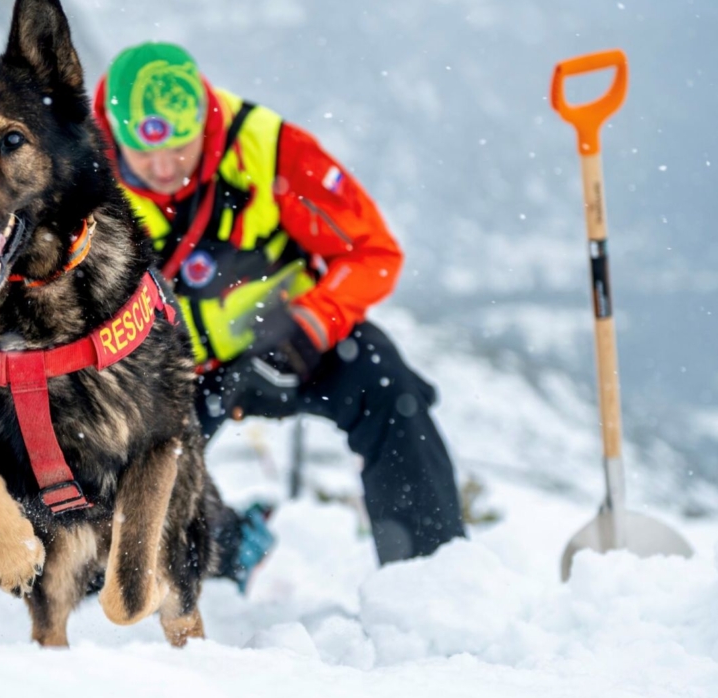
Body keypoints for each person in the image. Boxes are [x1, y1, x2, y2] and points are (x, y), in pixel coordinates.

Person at [94, 42, 465, 565]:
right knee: (114, 521)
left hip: (291, 349)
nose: (162, 167)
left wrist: (313, 322)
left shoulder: (268, 149)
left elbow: (373, 252)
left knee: (387, 383)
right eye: (143, 151)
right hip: (174, 378)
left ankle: (431, 571)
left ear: (204, 121)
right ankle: (229, 548)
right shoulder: (81, 181)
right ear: (113, 133)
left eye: (179, 147)